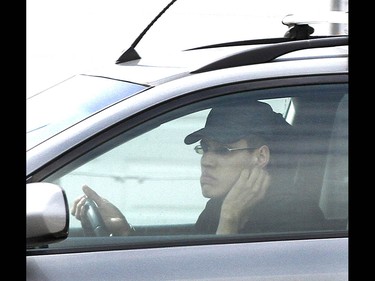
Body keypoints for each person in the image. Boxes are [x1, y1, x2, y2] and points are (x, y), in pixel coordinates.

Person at [71, 99, 326, 236]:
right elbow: (185, 270)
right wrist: (124, 232)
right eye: (205, 148)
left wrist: (230, 220)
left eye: (223, 149)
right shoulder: (219, 205)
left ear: (260, 157)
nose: (206, 160)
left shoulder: (296, 221)